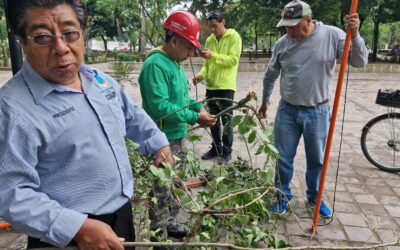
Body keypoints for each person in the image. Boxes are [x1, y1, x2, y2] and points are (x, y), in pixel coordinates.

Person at [0, 0, 173, 249]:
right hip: (64, 236)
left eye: (70, 33)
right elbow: (10, 193)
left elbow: (130, 113)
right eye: (42, 37)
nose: (61, 48)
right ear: (22, 41)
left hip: (121, 215)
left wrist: (157, 142)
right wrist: (77, 228)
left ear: (82, 33)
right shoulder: (12, 109)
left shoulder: (97, 79)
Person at [258, 0, 368, 217]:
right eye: (286, 26)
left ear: (308, 20)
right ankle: (282, 196)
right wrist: (265, 100)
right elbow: (271, 74)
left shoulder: (332, 35)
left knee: (317, 159)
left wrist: (354, 36)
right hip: (287, 110)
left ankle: (315, 198)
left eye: (293, 26)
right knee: (282, 157)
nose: (289, 31)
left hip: (318, 111)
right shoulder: (282, 43)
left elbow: (359, 61)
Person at [138, 10, 217, 242]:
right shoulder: (155, 65)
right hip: (163, 139)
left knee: (174, 186)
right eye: (189, 47)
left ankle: (170, 225)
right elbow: (160, 106)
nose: (192, 52)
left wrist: (198, 108)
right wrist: (194, 118)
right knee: (161, 191)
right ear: (174, 41)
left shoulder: (173, 62)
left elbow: (181, 100)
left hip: (177, 135)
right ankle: (158, 236)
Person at [193, 11, 242, 164]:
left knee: (227, 121)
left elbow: (232, 60)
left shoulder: (234, 37)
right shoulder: (210, 40)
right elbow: (206, 65)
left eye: (215, 26)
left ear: (223, 22)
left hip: (226, 86)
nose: (213, 29)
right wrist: (200, 75)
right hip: (211, 86)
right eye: (211, 26)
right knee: (212, 120)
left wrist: (213, 55)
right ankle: (216, 148)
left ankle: (227, 152)